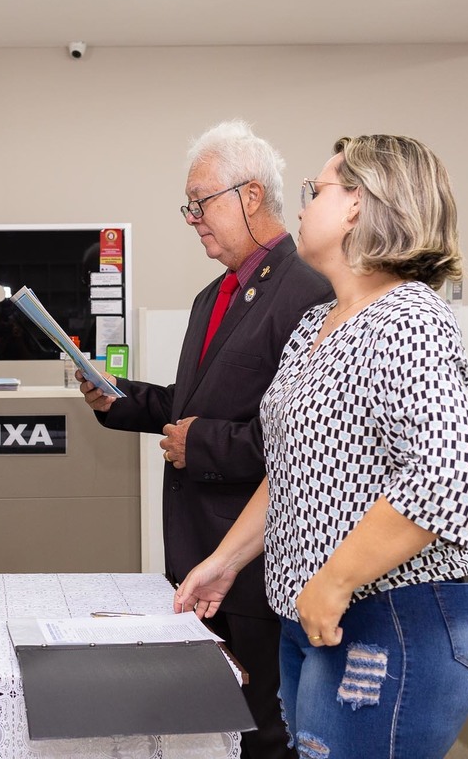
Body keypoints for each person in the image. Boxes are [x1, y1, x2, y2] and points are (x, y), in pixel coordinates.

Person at [175, 135, 468, 758]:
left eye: (314, 190)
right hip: (315, 615)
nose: (301, 207)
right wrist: (226, 560)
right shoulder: (314, 326)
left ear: (357, 205)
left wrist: (335, 581)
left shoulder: (409, 318)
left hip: (389, 620)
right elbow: (292, 469)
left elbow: (447, 473)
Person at [78, 120, 331, 759]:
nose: (192, 218)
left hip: (256, 567)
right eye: (188, 206)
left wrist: (206, 445)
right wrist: (119, 398)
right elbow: (193, 406)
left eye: (201, 202)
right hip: (199, 557)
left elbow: (308, 440)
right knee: (212, 730)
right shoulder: (211, 295)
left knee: (263, 734)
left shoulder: (310, 292)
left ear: (251, 195)